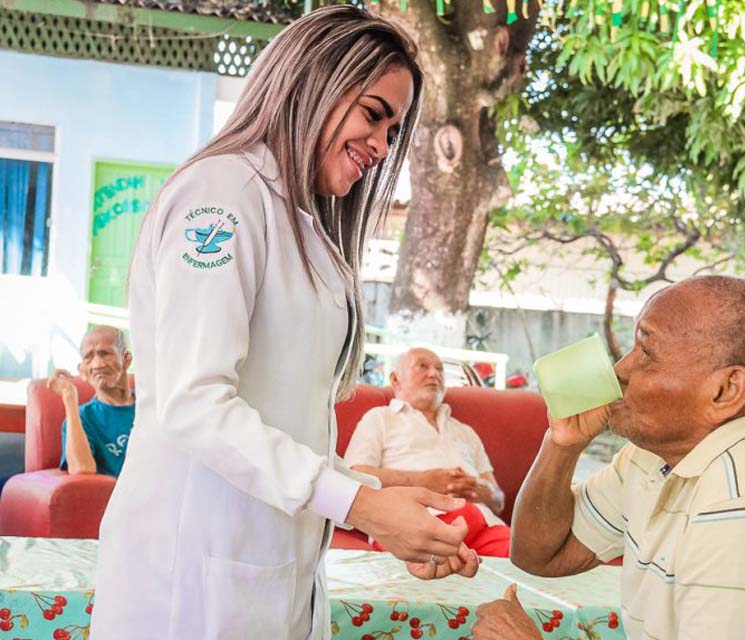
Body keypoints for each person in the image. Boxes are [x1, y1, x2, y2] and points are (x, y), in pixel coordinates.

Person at [92, 8, 477, 639]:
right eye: (373, 114)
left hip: (267, 573)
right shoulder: (222, 196)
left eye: (393, 130)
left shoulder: (305, 225)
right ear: (314, 83)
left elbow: (288, 428)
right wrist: (362, 505)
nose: (382, 147)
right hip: (190, 581)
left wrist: (383, 507)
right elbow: (196, 403)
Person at [474, 275, 745, 640]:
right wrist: (563, 445)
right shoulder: (659, 456)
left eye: (647, 353)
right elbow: (541, 555)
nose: (620, 370)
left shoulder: (744, 501)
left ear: (726, 391)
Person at [345, 348, 510, 556]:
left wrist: (482, 490)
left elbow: (498, 500)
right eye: (423, 366)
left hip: (484, 525)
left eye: (439, 369)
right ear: (396, 379)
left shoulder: (465, 431)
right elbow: (355, 476)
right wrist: (423, 481)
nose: (434, 374)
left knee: (530, 558)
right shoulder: (380, 418)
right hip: (412, 526)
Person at [47, 325, 134, 477]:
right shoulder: (82, 418)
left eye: (105, 353)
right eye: (88, 357)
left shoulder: (150, 405)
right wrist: (69, 396)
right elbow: (81, 470)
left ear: (126, 359)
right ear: (82, 371)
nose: (98, 364)